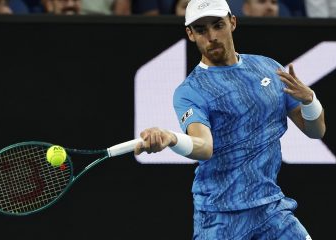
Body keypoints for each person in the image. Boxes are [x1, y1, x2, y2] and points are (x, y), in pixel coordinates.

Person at [134, 0, 326, 239]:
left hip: (271, 210)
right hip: (219, 217)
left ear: (232, 22)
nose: (212, 36)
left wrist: (310, 101)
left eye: (218, 25)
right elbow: (203, 147)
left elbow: (316, 131)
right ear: (190, 34)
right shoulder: (191, 90)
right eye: (202, 30)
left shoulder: (269, 69)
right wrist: (171, 138)